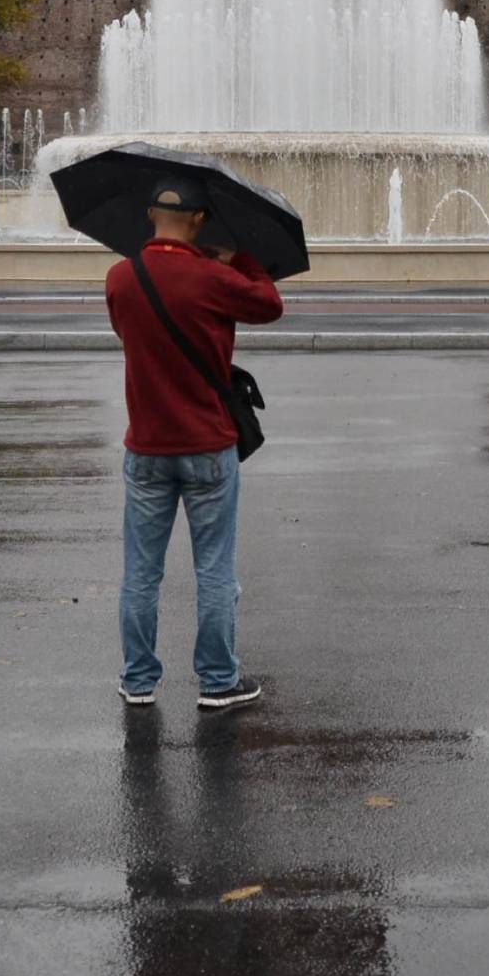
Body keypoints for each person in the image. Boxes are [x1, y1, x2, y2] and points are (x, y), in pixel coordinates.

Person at [105, 176, 284, 710]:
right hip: (208, 445)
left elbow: (128, 335)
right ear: (200, 221)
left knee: (140, 572)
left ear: (148, 215)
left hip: (147, 449)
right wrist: (238, 261)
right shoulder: (212, 277)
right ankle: (216, 681)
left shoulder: (121, 277)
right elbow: (270, 304)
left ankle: (138, 680)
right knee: (214, 571)